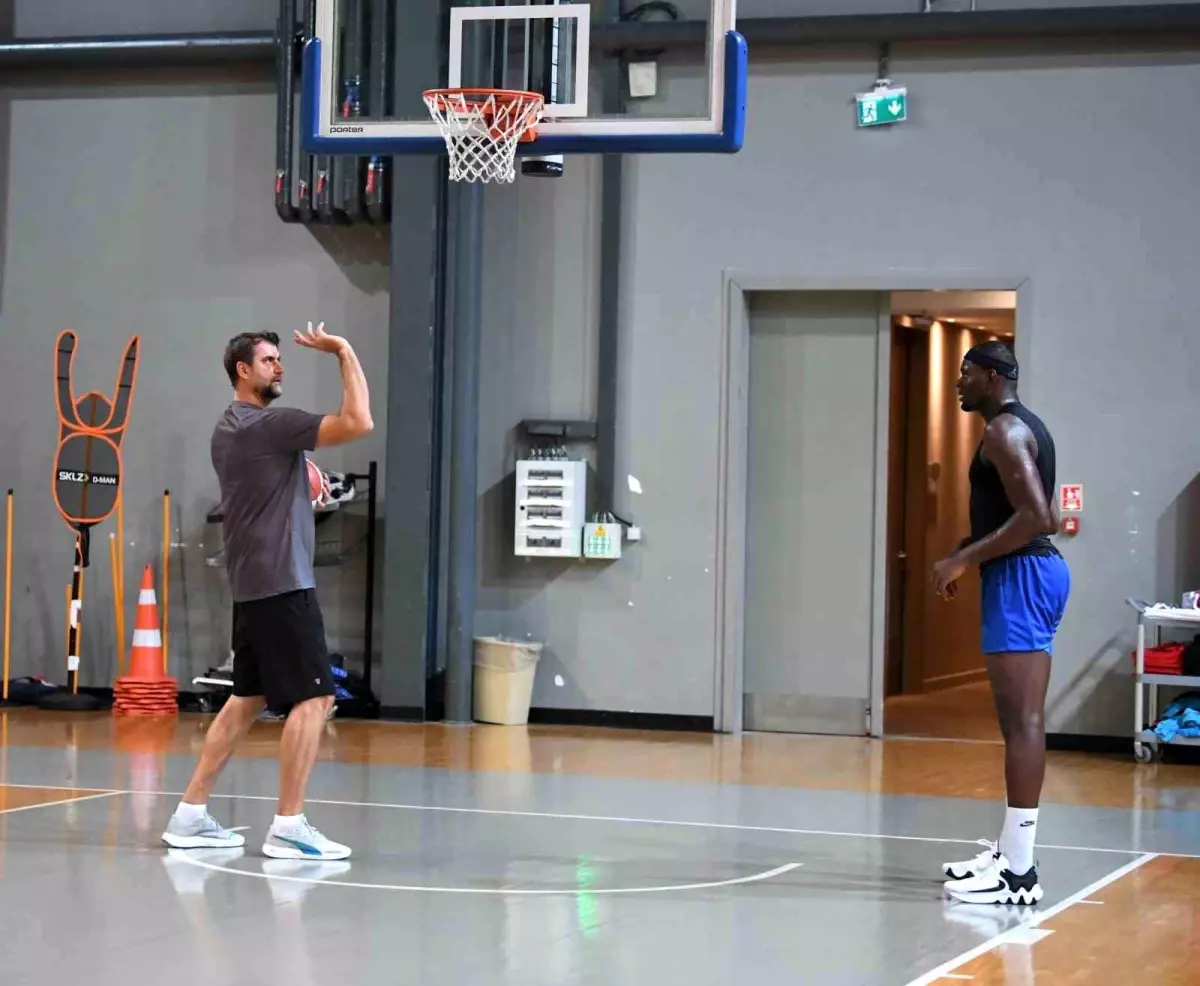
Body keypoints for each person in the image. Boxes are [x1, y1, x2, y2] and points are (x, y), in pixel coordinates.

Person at [161, 321, 373, 860]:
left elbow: (268, 475)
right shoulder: (269, 425)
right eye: (270, 360)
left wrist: (302, 467)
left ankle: (189, 816)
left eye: (280, 359)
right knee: (316, 695)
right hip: (283, 581)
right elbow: (358, 421)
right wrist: (343, 350)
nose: (280, 366)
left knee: (245, 699)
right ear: (243, 369)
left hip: (252, 581)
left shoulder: (229, 428)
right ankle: (289, 825)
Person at [933, 340, 1069, 906]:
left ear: (992, 377)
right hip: (1023, 573)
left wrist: (963, 557)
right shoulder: (1018, 427)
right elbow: (1013, 515)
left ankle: (1018, 872)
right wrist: (970, 547)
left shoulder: (1004, 432)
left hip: (1023, 576)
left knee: (1022, 723)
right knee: (1018, 721)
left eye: (966, 374)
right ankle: (1010, 851)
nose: (959, 383)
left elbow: (1041, 518)